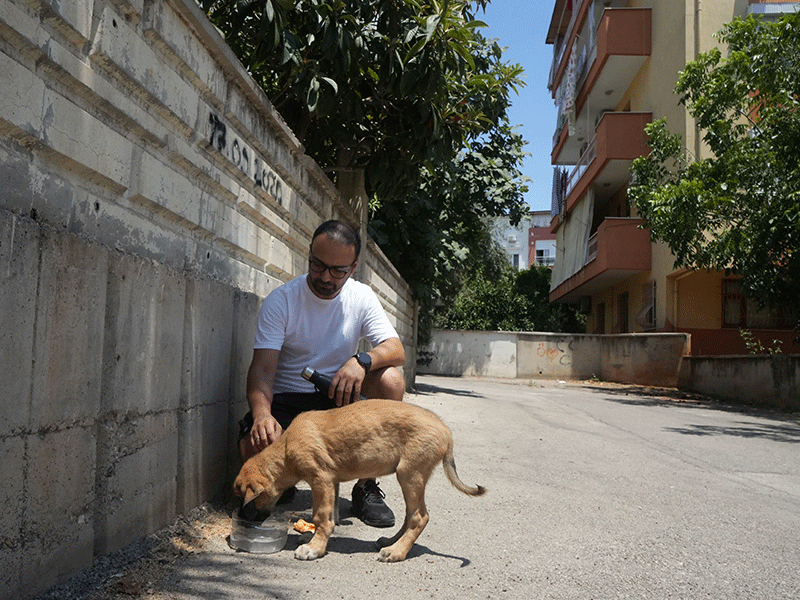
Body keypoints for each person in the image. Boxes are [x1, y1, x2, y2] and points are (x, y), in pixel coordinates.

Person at [238, 219, 406, 527]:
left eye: (337, 270)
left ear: (353, 267)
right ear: (310, 256)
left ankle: (366, 485)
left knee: (392, 380)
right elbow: (261, 370)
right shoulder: (282, 300)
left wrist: (362, 361)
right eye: (317, 265)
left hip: (336, 403)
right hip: (289, 399)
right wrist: (262, 415)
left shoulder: (361, 297)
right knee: (251, 445)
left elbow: (396, 349)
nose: (325, 277)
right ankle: (280, 483)